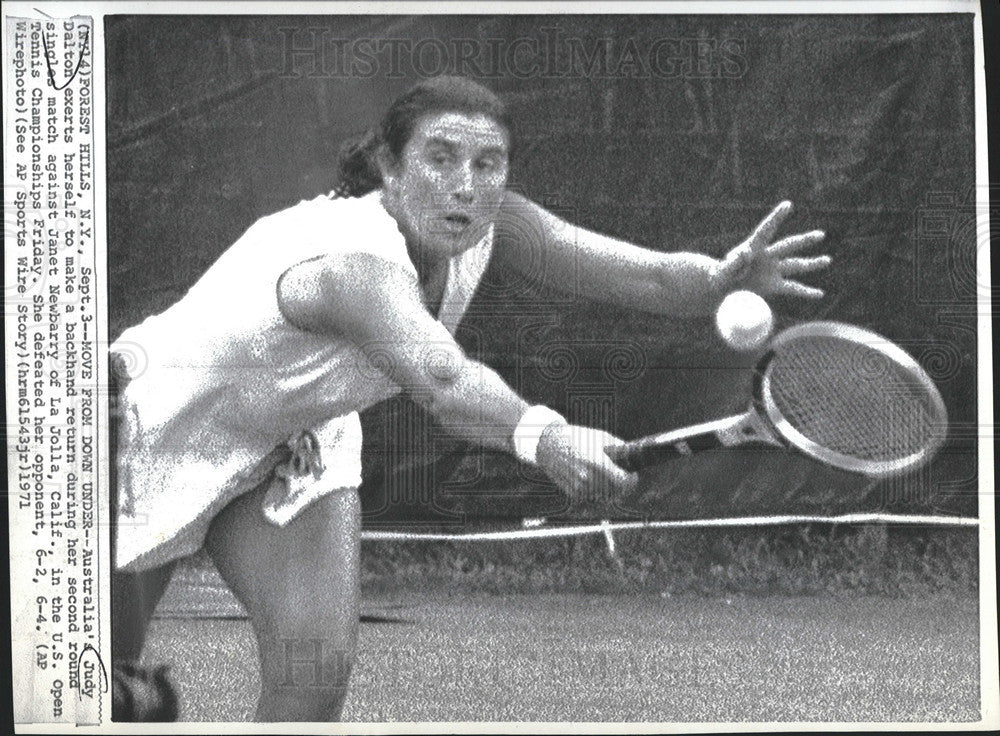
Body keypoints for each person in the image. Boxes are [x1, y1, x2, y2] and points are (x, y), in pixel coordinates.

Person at [110, 75, 829, 722]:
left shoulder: (492, 225)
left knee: (314, 672)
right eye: (440, 158)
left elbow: (640, 276)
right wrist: (543, 434)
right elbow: (446, 383)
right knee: (81, 692)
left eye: (487, 165)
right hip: (149, 426)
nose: (465, 185)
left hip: (294, 432)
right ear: (389, 169)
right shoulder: (351, 264)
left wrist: (715, 281)